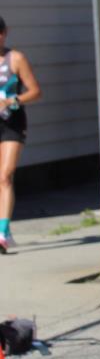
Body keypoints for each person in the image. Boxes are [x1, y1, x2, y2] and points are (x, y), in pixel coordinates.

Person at [0, 17, 42, 255]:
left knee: (5, 175)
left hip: (12, 124)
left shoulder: (15, 59)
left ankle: (3, 232)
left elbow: (35, 91)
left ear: (5, 33)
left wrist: (12, 100)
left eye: (0, 33)